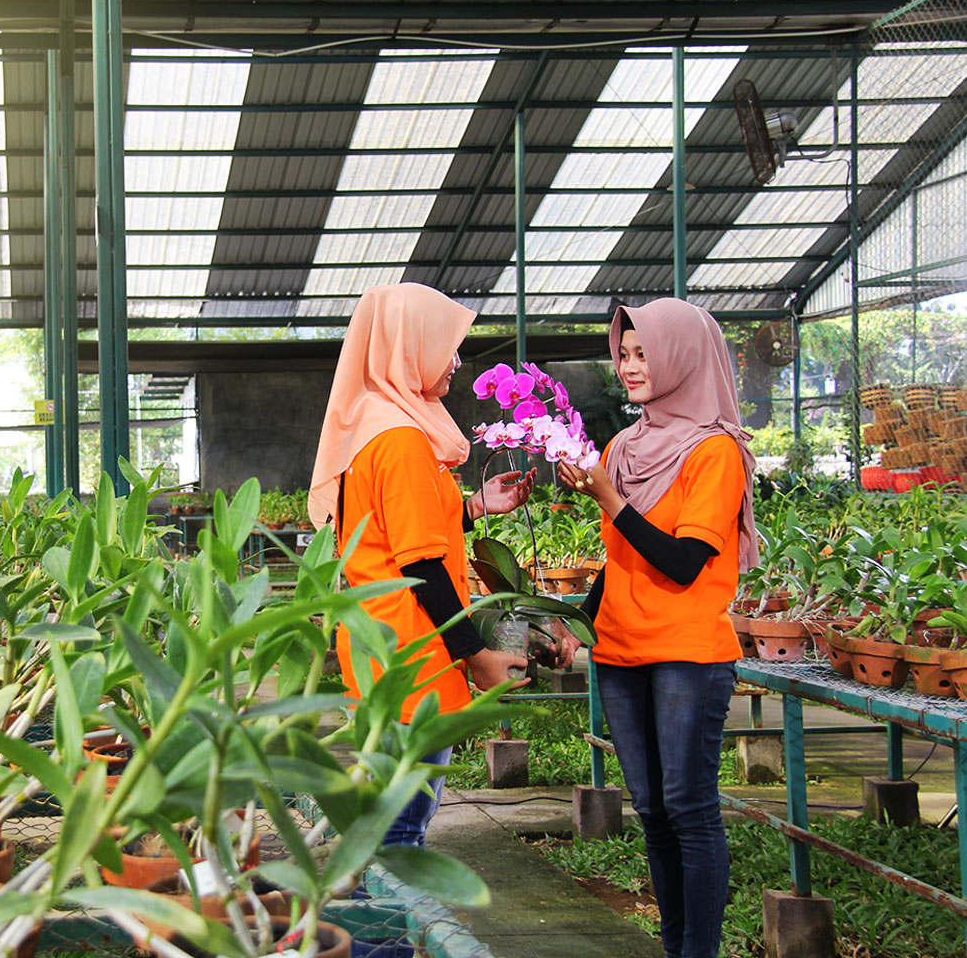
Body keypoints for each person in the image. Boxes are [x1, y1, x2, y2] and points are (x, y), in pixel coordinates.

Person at [308, 282, 566, 848]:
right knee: (399, 835)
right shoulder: (400, 440)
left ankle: (383, 937)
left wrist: (474, 507)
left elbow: (388, 535)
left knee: (388, 822)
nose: (454, 360)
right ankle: (387, 940)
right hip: (413, 658)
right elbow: (421, 563)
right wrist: (476, 657)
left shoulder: (375, 427)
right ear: (408, 347)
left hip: (385, 649)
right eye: (444, 345)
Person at [556, 298, 757, 958]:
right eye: (625, 353)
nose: (630, 366)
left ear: (683, 358)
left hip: (686, 655)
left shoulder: (716, 452)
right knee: (650, 810)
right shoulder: (623, 447)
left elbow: (681, 561)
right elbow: (619, 560)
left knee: (689, 808)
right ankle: (674, 949)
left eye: (645, 354)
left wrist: (609, 498)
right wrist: (572, 626)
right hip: (619, 651)